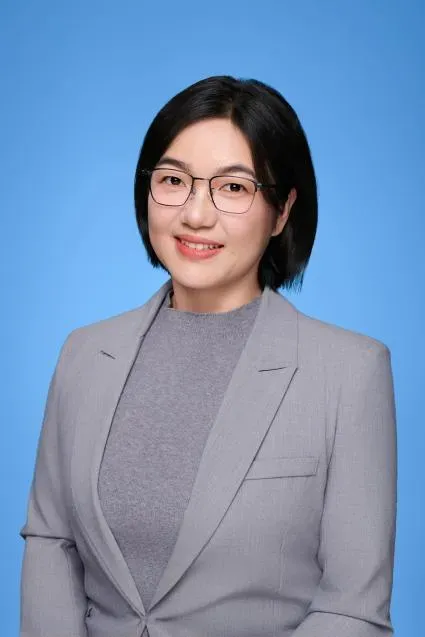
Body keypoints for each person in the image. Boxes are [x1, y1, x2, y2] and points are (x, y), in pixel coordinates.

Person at [19, 75, 397, 637]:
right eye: (173, 180)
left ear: (282, 211)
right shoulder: (84, 354)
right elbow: (53, 541)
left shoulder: (349, 373)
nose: (196, 215)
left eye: (234, 188)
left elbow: (352, 608)